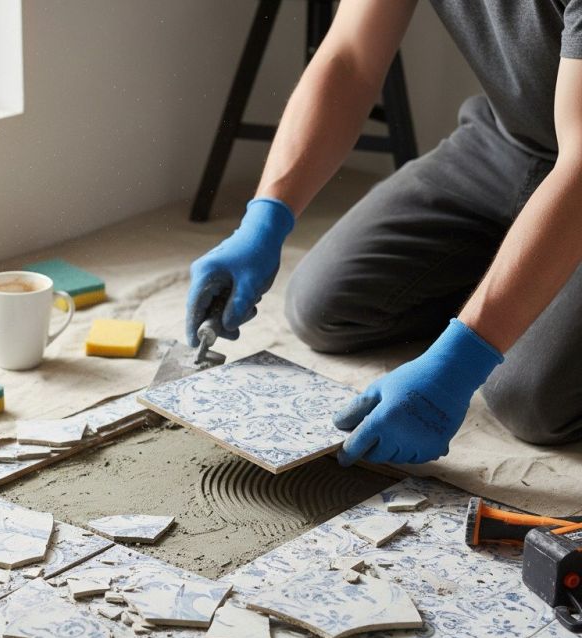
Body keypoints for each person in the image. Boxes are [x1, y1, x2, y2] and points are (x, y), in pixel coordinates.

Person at [185, 0, 582, 466]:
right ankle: (523, 285)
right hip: (508, 144)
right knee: (324, 308)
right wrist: (265, 218)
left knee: (526, 398)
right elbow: (351, 57)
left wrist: (460, 360)